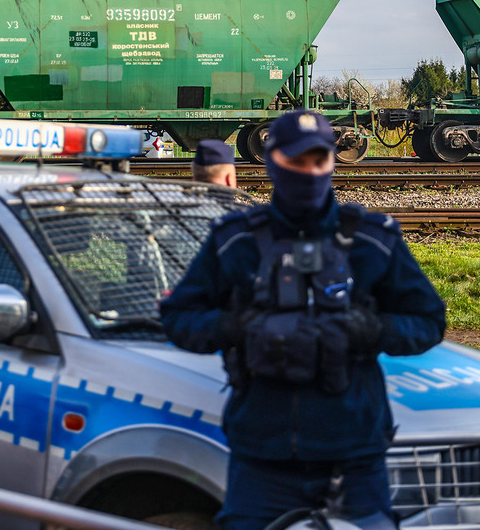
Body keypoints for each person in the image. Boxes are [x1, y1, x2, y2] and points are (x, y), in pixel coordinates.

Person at [161, 109, 445, 530]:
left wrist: (370, 330)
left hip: (354, 456)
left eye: (320, 161)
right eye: (297, 162)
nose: (310, 172)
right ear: (272, 160)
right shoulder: (236, 241)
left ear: (332, 161)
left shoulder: (372, 240)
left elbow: (427, 321)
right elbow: (179, 318)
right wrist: (239, 326)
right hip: (263, 458)